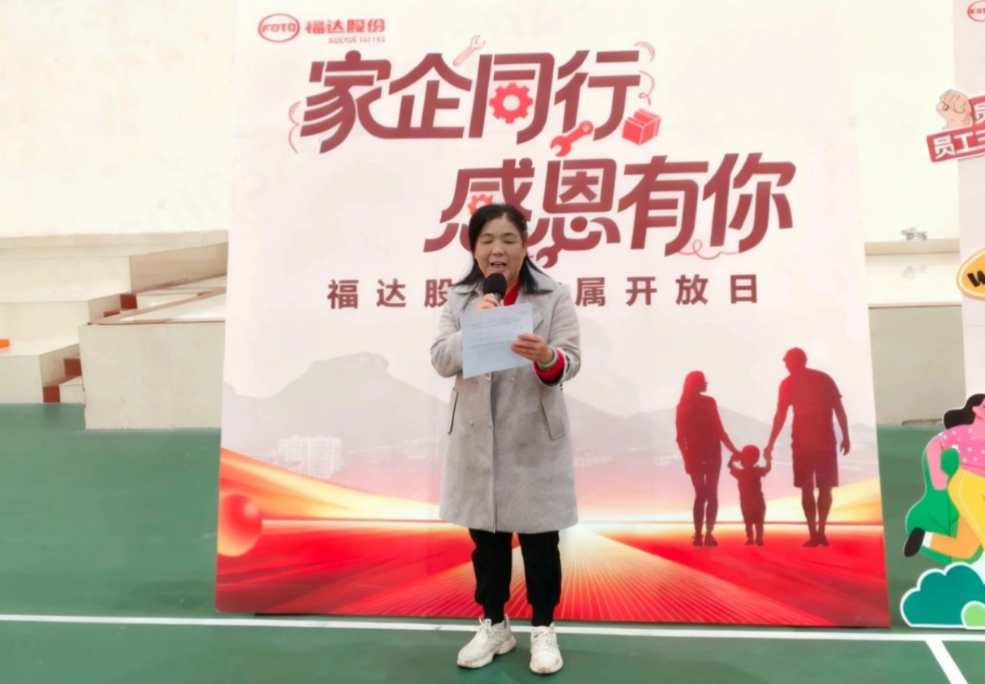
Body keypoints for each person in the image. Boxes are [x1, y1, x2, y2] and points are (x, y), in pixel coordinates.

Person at [430, 203, 581, 675]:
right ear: (474, 248)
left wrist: (547, 356)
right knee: (487, 543)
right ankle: (494, 625)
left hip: (534, 438)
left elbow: (571, 360)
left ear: (525, 245)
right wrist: (473, 327)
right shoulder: (460, 298)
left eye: (509, 240)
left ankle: (543, 630)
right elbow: (440, 359)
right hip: (478, 438)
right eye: (487, 241)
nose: (498, 250)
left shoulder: (553, 295)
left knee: (540, 544)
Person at [764, 348, 850, 547]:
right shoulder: (820, 379)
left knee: (813, 488)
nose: (786, 366)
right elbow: (781, 415)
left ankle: (817, 533)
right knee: (817, 488)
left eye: (787, 362)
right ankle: (817, 533)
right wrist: (845, 436)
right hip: (816, 441)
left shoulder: (795, 382)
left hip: (811, 442)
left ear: (795, 362)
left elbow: (781, 415)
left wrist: (846, 436)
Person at [905, 394, 985, 560]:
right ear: (976, 410)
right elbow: (936, 444)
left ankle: (922, 537)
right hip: (968, 484)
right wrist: (936, 472)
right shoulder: (964, 432)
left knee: (966, 548)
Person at [675, 371, 739, 547]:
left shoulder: (682, 406)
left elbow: (680, 438)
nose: (706, 384)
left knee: (700, 495)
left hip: (694, 455)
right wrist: (735, 451)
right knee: (711, 494)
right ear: (696, 384)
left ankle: (698, 535)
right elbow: (720, 431)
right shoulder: (709, 402)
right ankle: (709, 535)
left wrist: (686, 459)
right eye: (704, 381)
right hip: (712, 454)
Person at [728, 446, 771, 546]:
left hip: (748, 502)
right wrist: (768, 459)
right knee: (757, 522)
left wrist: (733, 458)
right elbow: (768, 468)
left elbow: (730, 466)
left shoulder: (741, 473)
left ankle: (752, 538)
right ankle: (757, 539)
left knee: (750, 521)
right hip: (756, 501)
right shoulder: (756, 471)